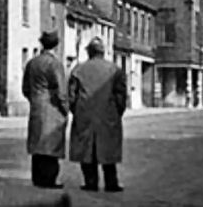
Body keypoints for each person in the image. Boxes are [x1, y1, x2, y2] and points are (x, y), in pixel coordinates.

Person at [67, 37, 126, 192]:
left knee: (86, 150)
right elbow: (121, 96)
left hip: (84, 115)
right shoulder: (115, 70)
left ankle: (90, 182)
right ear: (103, 52)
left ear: (89, 52)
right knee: (108, 149)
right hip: (108, 115)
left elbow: (71, 96)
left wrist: (77, 111)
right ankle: (111, 183)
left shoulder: (78, 70)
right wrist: (117, 112)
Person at [22, 30, 68, 189]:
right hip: (52, 108)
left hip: (36, 106)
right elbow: (61, 91)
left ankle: (37, 178)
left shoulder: (32, 63)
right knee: (50, 145)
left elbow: (25, 88)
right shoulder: (55, 64)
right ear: (56, 46)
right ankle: (49, 179)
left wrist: (34, 100)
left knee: (37, 145)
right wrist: (65, 109)